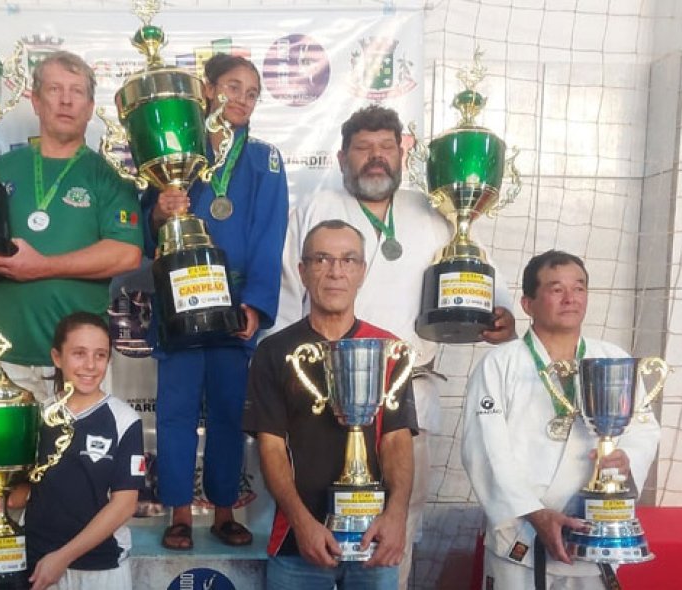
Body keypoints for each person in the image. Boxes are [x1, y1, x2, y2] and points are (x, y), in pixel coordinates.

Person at [274, 104, 516, 587]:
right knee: (315, 515)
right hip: (321, 395)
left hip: (407, 390)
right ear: (342, 157)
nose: (376, 158)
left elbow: (479, 279)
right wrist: (283, 381)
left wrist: (502, 315)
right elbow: (285, 300)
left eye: (386, 147)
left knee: (398, 524)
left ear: (403, 154)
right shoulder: (313, 212)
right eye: (364, 149)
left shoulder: (434, 213)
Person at [0, 51, 143, 401]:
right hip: (5, 359)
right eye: (55, 89)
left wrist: (42, 267)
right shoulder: (0, 169)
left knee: (78, 457)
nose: (66, 100)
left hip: (79, 365)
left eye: (77, 92)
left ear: (89, 107)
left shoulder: (111, 178)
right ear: (36, 101)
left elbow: (127, 254)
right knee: (10, 458)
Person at [141, 53, 289, 550]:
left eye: (252, 92)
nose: (242, 99)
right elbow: (148, 231)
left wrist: (256, 305)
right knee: (176, 412)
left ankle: (224, 509)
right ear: (207, 91)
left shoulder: (265, 160)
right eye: (232, 87)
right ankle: (179, 513)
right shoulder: (178, 150)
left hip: (233, 306)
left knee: (229, 412)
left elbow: (271, 236)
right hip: (179, 302)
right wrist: (161, 213)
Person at [460, 250, 661, 589]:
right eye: (556, 289)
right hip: (520, 538)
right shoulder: (500, 364)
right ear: (527, 304)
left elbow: (643, 430)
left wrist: (627, 458)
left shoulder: (613, 359)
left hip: (591, 533)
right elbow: (485, 450)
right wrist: (535, 514)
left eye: (579, 288)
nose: (571, 298)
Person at [243, 220, 417, 589]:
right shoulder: (274, 352)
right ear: (303, 271)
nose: (336, 271)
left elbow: (396, 440)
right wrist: (303, 524)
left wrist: (397, 514)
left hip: (375, 541)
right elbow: (271, 447)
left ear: (362, 272)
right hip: (298, 545)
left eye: (348, 260)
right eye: (322, 259)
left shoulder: (390, 349)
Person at [0, 311, 145, 590]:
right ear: (57, 357)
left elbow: (124, 504)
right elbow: (25, 492)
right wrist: (0, 502)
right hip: (40, 565)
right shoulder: (37, 417)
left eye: (100, 355)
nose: (90, 365)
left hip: (100, 567)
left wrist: (63, 557)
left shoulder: (124, 420)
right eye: (79, 353)